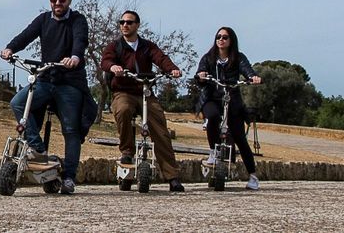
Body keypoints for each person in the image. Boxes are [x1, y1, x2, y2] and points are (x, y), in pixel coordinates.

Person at [0, 0, 95, 195]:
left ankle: (69, 177)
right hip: (45, 79)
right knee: (18, 103)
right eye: (54, 0)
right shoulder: (43, 19)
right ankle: (38, 148)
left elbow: (81, 41)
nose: (58, 3)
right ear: (50, 1)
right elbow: (26, 35)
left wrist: (75, 57)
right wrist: (10, 48)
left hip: (69, 82)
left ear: (69, 0)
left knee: (71, 130)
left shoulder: (78, 20)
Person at [100, 10, 186, 192]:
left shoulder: (147, 46)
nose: (125, 25)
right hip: (123, 91)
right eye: (122, 22)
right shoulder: (115, 46)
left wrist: (172, 70)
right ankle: (127, 152)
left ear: (137, 25)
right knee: (123, 110)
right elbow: (105, 61)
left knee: (160, 128)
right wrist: (113, 67)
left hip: (145, 91)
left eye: (129, 22)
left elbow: (161, 59)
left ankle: (172, 176)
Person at [196, 26, 263, 190]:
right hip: (212, 98)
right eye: (218, 37)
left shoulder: (238, 58)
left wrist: (252, 77)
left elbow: (247, 70)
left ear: (231, 40)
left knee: (240, 137)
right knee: (211, 117)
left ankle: (253, 176)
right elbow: (199, 75)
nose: (221, 40)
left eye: (225, 37)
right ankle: (213, 152)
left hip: (232, 100)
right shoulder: (208, 58)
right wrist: (201, 76)